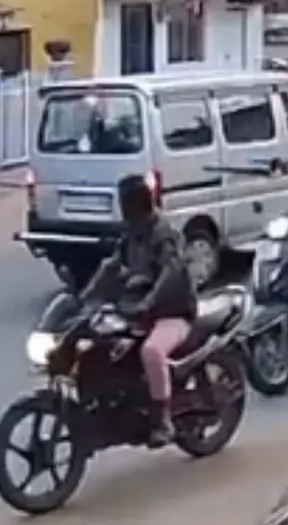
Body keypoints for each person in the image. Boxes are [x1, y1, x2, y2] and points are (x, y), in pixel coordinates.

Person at [81, 174, 197, 447]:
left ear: (138, 204)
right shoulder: (132, 233)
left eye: (126, 204)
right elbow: (112, 265)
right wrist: (86, 295)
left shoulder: (163, 233)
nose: (123, 210)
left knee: (151, 351)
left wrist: (150, 302)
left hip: (173, 312)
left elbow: (170, 274)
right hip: (139, 311)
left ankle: (163, 419)